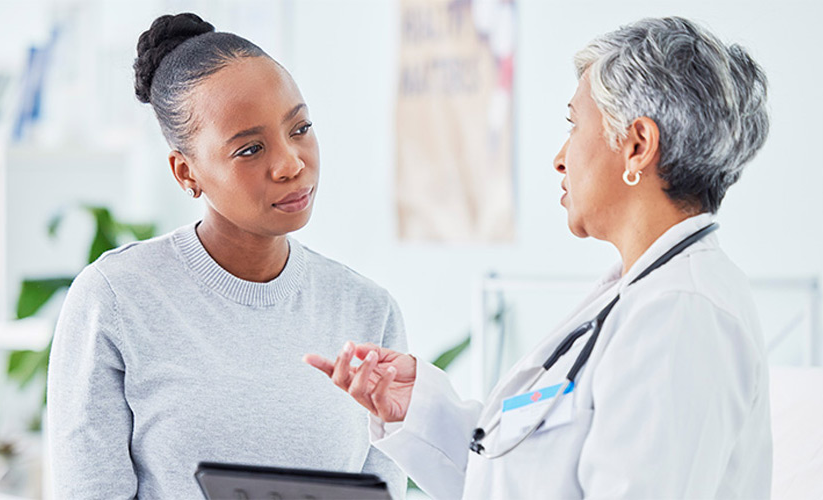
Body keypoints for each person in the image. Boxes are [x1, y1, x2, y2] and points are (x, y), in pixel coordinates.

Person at [305, 16, 772, 499]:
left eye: (574, 124)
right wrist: (417, 409)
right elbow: (522, 478)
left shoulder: (682, 313)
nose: (560, 157)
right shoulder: (638, 296)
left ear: (637, 146)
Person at [46, 13, 407, 499]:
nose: (291, 163)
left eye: (300, 128)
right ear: (186, 172)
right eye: (250, 149)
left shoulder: (369, 310)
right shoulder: (114, 299)